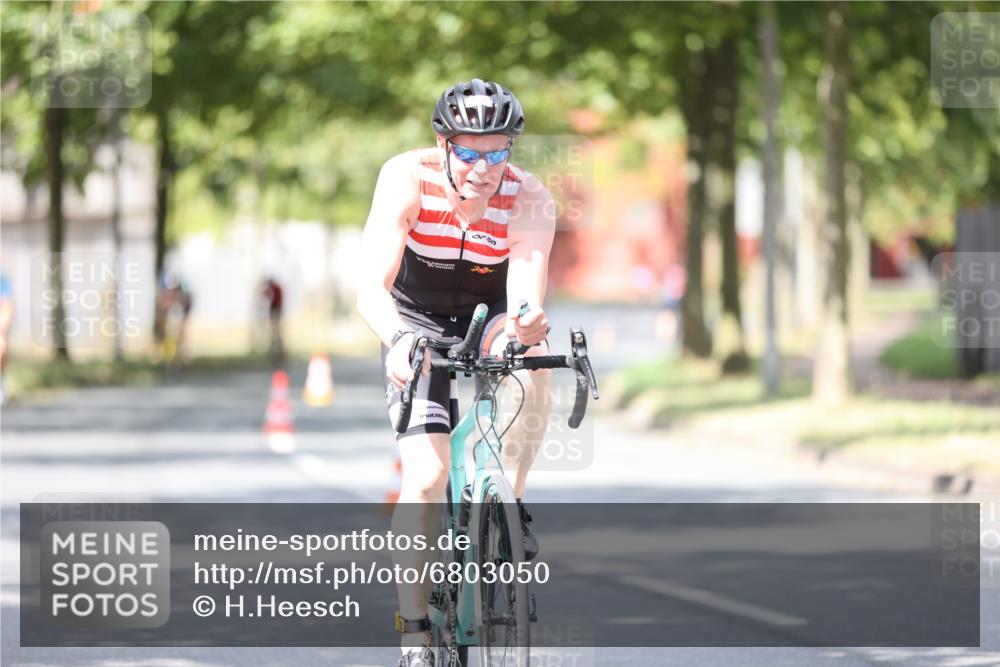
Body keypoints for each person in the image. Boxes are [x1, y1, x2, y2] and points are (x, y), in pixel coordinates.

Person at [356, 79, 556, 667]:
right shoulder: (405, 177)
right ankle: (414, 630)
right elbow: (373, 286)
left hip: (488, 315)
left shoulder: (530, 197)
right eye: (469, 151)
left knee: (533, 361)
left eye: (497, 152)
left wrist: (526, 323)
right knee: (426, 476)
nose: (483, 166)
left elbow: (522, 291)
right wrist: (396, 340)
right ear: (442, 144)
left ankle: (505, 506)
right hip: (414, 318)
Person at [259, 276, 285, 367]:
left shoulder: (274, 288)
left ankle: (277, 354)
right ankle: (277, 353)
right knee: (276, 335)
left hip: (275, 312)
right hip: (276, 311)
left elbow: (267, 296)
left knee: (275, 334)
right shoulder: (276, 287)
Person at [0, 273, 13, 404]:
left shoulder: (2, 281)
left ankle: (1, 382)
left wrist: (3, 327)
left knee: (2, 345)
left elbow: (7, 308)